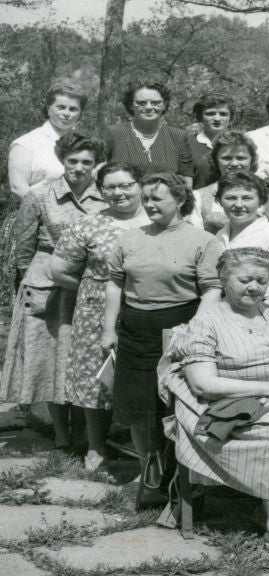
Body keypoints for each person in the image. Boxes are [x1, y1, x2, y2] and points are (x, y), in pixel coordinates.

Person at [161, 247, 269, 560]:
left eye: (261, 280)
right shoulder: (206, 322)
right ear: (224, 280)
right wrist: (266, 388)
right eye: (244, 280)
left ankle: (268, 508)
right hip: (223, 405)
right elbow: (203, 383)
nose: (253, 287)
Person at [102, 172, 224, 509]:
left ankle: (182, 478)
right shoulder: (129, 238)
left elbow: (212, 288)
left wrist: (195, 328)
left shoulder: (203, 241)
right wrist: (108, 328)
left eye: (158, 197)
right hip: (136, 329)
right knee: (140, 407)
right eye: (147, 197)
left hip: (180, 327)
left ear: (181, 200)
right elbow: (115, 284)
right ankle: (150, 475)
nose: (150, 203)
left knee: (176, 404)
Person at [1, 132, 108, 456]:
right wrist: (26, 286)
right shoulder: (39, 194)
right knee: (51, 359)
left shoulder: (106, 195)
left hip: (90, 284)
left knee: (85, 359)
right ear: (62, 160)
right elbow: (24, 247)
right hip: (46, 284)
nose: (78, 167)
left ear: (96, 164)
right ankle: (62, 437)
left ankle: (91, 439)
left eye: (86, 162)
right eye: (72, 160)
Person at [50, 162, 150, 471]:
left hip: (149, 307)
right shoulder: (88, 224)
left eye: (126, 185)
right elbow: (59, 269)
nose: (118, 193)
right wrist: (96, 288)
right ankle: (95, 445)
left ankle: (146, 449)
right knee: (97, 376)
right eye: (110, 187)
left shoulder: (158, 219)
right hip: (95, 311)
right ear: (101, 191)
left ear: (141, 186)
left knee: (144, 374)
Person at [213, 171, 269, 296]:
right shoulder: (219, 236)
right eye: (231, 198)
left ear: (260, 201)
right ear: (220, 201)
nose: (238, 204)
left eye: (247, 198)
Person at [102, 81, 193, 186]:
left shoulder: (178, 136)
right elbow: (98, 172)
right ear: (130, 105)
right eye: (141, 103)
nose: (149, 107)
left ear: (164, 105)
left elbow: (186, 181)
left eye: (156, 103)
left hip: (165, 201)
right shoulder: (113, 133)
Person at [8, 80, 86, 197]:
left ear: (80, 113)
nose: (67, 113)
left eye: (73, 109)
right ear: (48, 108)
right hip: (38, 211)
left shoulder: (86, 143)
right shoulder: (25, 144)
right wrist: (51, 212)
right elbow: (18, 188)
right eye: (61, 107)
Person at [187, 130, 259, 234]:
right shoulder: (199, 196)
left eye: (241, 158)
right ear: (215, 161)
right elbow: (195, 236)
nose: (234, 163)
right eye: (227, 158)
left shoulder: (265, 193)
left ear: (251, 160)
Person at [188, 92, 234, 190]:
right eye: (210, 113)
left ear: (230, 118)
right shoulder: (186, 146)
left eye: (223, 114)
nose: (217, 118)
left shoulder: (240, 146)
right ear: (200, 117)